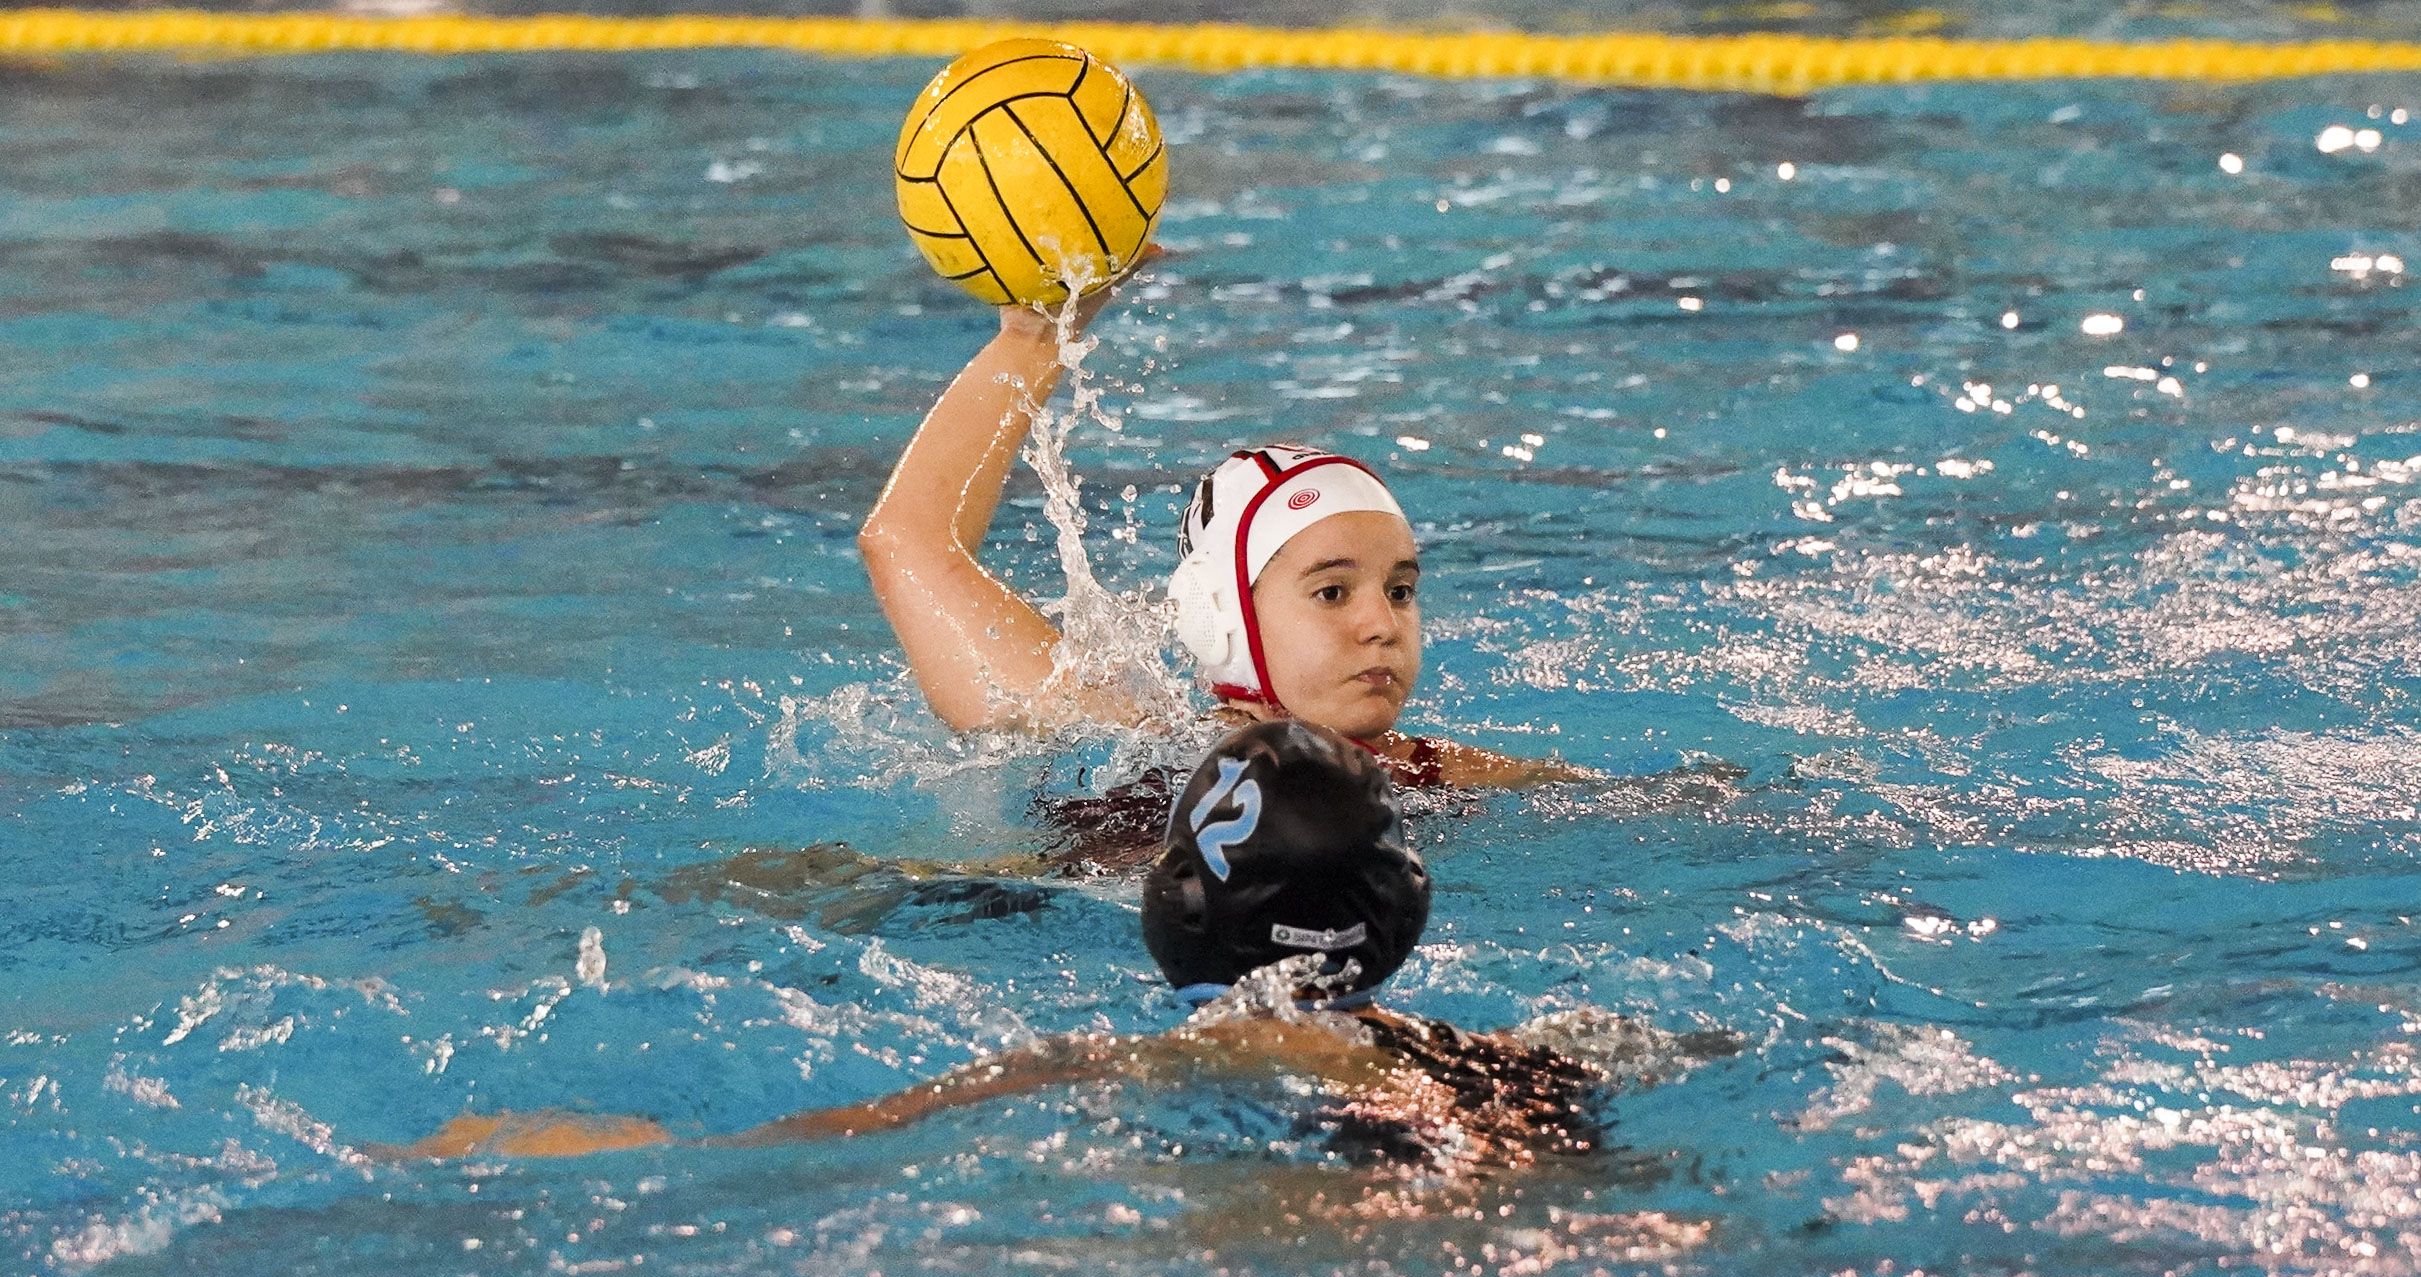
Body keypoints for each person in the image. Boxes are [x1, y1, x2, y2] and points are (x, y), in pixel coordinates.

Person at [389, 722, 1736, 1169]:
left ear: (1177, 910)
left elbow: (814, 1146)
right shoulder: (1508, 1050)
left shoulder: (1127, 1064)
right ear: (1399, 918)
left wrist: (545, 1139)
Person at [856, 270, 1583, 790]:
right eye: (1331, 592)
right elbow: (907, 543)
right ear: (1221, 620)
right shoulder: (1132, 746)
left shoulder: (1440, 774)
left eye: (1400, 589)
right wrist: (1036, 339)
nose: (1380, 624)